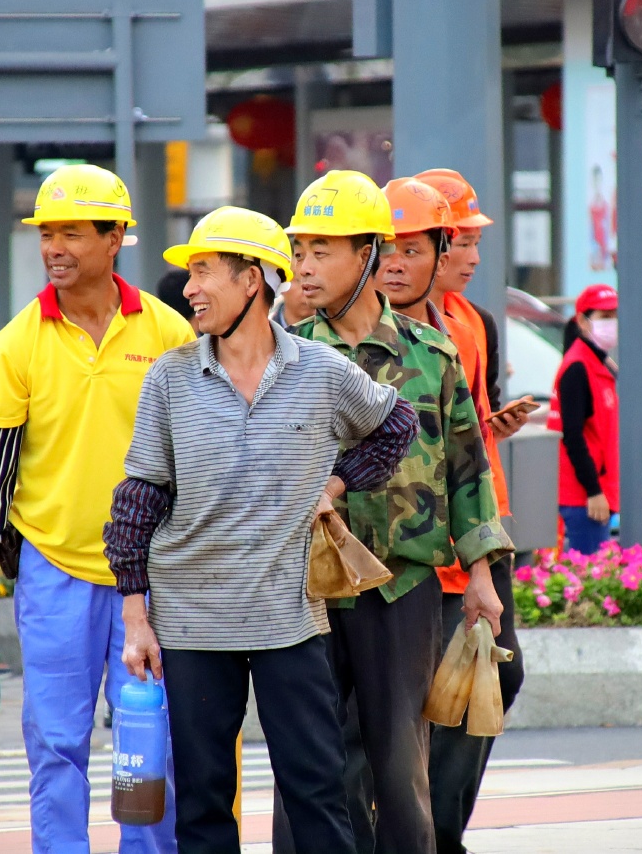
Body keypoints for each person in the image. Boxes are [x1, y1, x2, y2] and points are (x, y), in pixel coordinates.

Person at [105, 206, 418, 853]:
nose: (190, 289)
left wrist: (334, 486)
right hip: (191, 621)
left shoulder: (322, 372)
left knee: (317, 791)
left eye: (204, 272)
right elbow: (139, 496)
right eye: (190, 274)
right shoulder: (170, 378)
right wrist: (135, 613)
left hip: (290, 620)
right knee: (203, 800)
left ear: (252, 280)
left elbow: (396, 425)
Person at [0, 164, 194, 854]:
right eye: (46, 234)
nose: (54, 248)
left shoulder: (170, 334)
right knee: (56, 741)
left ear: (115, 238)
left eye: (72, 233)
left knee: (152, 739)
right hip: (53, 570)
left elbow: (195, 454)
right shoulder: (16, 344)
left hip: (152, 577)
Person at [284, 170, 514, 854]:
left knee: (399, 762)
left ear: (366, 254)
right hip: (308, 593)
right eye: (298, 251)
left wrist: (482, 577)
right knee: (313, 764)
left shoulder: (432, 355)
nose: (304, 267)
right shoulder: (287, 358)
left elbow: (469, 471)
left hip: (403, 588)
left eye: (321, 251)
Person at [413, 168, 528, 854]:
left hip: (482, 529)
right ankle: (425, 832)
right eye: (464, 241)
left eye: (475, 241)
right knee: (427, 695)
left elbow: (465, 427)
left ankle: (441, 830)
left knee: (498, 675)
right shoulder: (386, 323)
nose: (474, 255)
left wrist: (495, 427)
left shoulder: (473, 322)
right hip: (423, 540)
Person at [547, 283, 620, 555]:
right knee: (589, 576)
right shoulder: (578, 367)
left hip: (593, 494)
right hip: (584, 498)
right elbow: (573, 436)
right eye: (605, 316)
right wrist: (593, 491)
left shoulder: (594, 363)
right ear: (582, 321)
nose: (612, 323)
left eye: (615, 316)